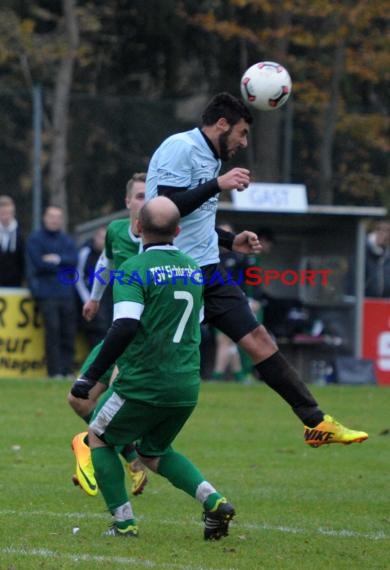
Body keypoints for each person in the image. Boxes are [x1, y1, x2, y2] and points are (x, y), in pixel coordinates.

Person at [146, 91, 368, 447]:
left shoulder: (209, 156)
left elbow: (194, 221)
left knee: (259, 339)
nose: (243, 142)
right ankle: (103, 431)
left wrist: (227, 240)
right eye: (242, 133)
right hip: (172, 272)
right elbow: (164, 209)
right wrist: (216, 184)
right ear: (222, 124)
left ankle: (316, 422)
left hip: (208, 270)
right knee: (151, 361)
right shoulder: (180, 147)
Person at [70, 196, 235, 540]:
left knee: (98, 437)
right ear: (177, 230)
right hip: (186, 382)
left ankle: (124, 522)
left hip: (144, 381)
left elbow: (125, 326)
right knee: (153, 453)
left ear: (139, 228)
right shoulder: (192, 267)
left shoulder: (134, 269)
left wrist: (89, 376)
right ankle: (214, 501)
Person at [68, 173, 147, 497]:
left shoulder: (166, 237)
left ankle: (89, 448)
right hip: (120, 333)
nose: (144, 201)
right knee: (78, 397)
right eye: (139, 195)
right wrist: (96, 297)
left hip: (145, 342)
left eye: (150, 195)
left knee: (116, 396)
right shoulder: (116, 231)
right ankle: (133, 458)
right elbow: (106, 261)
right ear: (127, 201)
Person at [26, 206, 78, 379]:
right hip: (47, 294)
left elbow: (73, 261)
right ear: (44, 218)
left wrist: (56, 259)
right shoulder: (35, 239)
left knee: (68, 332)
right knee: (53, 332)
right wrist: (62, 264)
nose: (55, 220)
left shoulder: (67, 240)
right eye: (51, 216)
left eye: (58, 217)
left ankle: (68, 370)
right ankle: (54, 371)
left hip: (66, 293)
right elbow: (38, 264)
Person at [75, 226, 112, 349]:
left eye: (106, 238)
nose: (103, 241)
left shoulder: (113, 255)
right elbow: (78, 278)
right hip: (93, 305)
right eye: (101, 237)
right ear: (95, 237)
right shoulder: (86, 253)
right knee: (96, 340)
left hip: (110, 304)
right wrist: (89, 299)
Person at [0, 195, 25, 287]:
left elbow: (23, 258)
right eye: (2, 213)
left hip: (15, 282)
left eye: (8, 213)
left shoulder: (20, 233)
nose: (5, 216)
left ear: (13, 213)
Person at [364, 220, 390, 298]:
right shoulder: (362, 253)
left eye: (387, 230)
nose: (382, 233)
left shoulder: (387, 254)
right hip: (366, 301)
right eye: (378, 229)